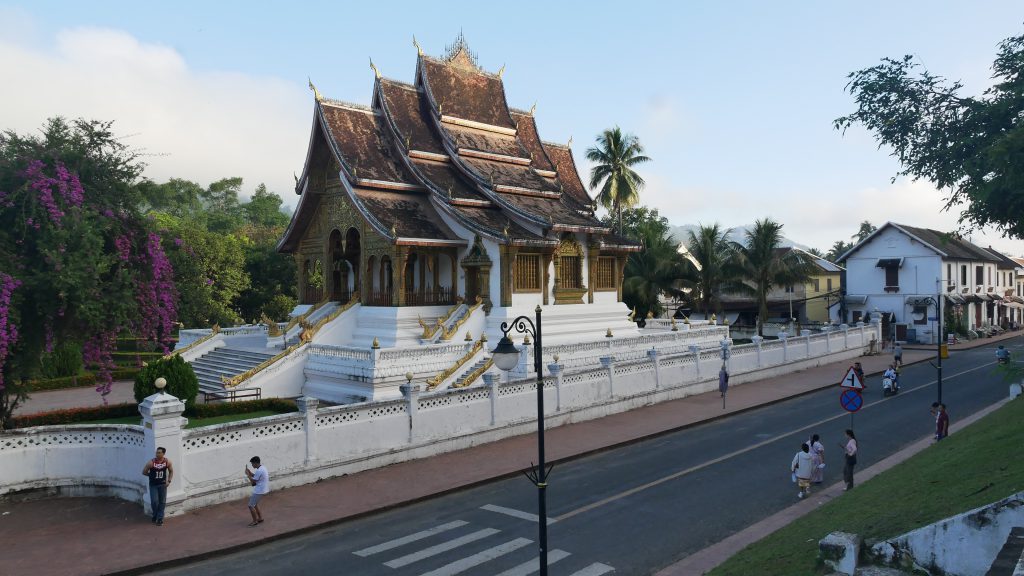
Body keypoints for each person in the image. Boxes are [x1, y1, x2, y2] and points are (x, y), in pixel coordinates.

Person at [141, 447, 173, 526]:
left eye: (159, 452)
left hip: (162, 484)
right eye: (157, 452)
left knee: (162, 501)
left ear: (163, 454)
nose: (157, 454)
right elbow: (144, 472)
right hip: (153, 485)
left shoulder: (167, 462)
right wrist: (151, 476)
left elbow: (171, 471)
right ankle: (155, 515)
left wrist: (169, 481)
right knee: (154, 501)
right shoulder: (151, 462)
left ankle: (160, 518)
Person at [245, 456, 269, 526]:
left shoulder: (259, 470)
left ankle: (255, 521)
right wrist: (250, 472)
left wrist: (248, 475)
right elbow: (256, 476)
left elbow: (253, 483)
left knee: (250, 505)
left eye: (252, 463)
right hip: (263, 489)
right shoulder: (262, 468)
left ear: (255, 463)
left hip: (259, 490)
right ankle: (260, 518)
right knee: (254, 504)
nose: (252, 465)